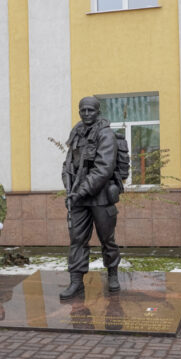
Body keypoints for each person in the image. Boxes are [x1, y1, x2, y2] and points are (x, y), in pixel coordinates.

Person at [60, 96, 121, 299]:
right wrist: (68, 186)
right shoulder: (76, 133)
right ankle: (76, 281)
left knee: (107, 240)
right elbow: (69, 163)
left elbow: (103, 169)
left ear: (98, 112)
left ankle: (113, 274)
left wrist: (81, 191)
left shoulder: (106, 135)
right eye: (83, 110)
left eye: (90, 110)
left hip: (100, 196)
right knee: (76, 240)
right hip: (79, 197)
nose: (86, 114)